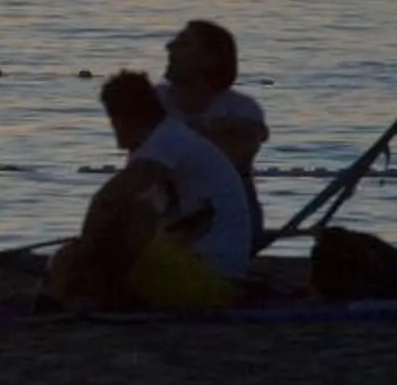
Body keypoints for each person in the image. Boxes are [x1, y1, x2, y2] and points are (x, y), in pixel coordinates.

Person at [49, 67, 254, 312]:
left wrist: (83, 252)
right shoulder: (167, 139)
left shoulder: (167, 142)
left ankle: (93, 293)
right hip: (208, 272)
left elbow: (109, 198)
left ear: (123, 117)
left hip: (211, 279)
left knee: (131, 215)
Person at [160, 18, 268, 245]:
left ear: (209, 60)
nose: (170, 47)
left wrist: (206, 127)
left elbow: (237, 156)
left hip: (218, 218)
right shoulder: (153, 100)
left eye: (184, 43)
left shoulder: (240, 108)